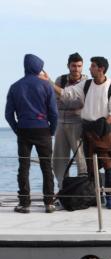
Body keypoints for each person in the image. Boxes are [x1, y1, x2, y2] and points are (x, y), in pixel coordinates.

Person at [45, 56, 111, 209]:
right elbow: (67, 94)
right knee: (90, 166)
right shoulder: (86, 85)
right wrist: (49, 82)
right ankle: (94, 196)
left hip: (103, 130)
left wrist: (105, 123)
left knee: (108, 164)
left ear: (101, 69)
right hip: (86, 129)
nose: (88, 68)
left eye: (92, 66)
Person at [5, 54, 58, 213]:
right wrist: (52, 131)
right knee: (47, 167)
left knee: (24, 167)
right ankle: (49, 203)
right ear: (38, 68)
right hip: (43, 130)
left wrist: (17, 129)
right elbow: (54, 113)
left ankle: (24, 203)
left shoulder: (15, 86)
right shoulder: (46, 86)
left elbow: (8, 114)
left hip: (23, 130)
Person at [53, 52, 87, 187]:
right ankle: (62, 189)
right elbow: (55, 102)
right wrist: (72, 101)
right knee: (59, 160)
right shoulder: (59, 80)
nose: (76, 69)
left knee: (81, 159)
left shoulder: (87, 83)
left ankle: (82, 188)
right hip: (60, 124)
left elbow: (82, 103)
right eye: (74, 66)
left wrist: (65, 99)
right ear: (68, 66)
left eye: (79, 66)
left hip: (78, 124)